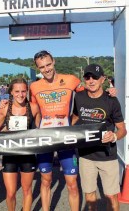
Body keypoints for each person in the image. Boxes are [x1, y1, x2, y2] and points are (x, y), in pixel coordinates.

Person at [30, 50, 84, 211]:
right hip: (45, 138)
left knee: (72, 183)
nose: (46, 69)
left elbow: (89, 98)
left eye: (48, 64)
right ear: (37, 68)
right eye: (42, 67)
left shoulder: (71, 80)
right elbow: (34, 111)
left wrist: (74, 120)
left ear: (53, 61)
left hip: (66, 138)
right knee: (46, 180)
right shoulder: (34, 86)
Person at [72, 64, 127, 211]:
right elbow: (75, 117)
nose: (91, 80)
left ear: (102, 79)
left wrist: (114, 136)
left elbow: (122, 129)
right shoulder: (79, 97)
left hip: (107, 156)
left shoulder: (111, 100)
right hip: (86, 156)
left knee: (111, 196)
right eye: (88, 77)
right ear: (84, 80)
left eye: (95, 77)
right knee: (90, 196)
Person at [0, 78, 41, 211]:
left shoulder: (33, 107)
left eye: (23, 91)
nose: (20, 95)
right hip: (10, 154)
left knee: (27, 190)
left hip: (28, 154)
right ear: (11, 92)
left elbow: (41, 129)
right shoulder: (5, 108)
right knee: (10, 193)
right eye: (17, 91)